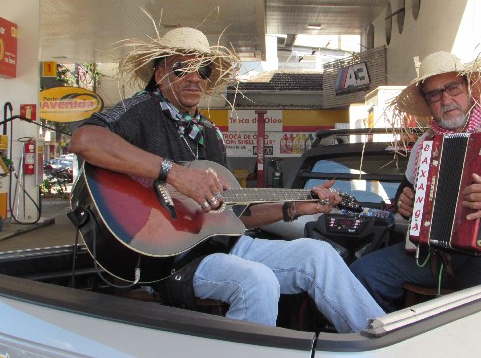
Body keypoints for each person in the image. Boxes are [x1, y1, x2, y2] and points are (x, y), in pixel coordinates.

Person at [69, 26, 383, 332]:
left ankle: (382, 345)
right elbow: (85, 141)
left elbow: (233, 216)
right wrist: (175, 174)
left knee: (319, 254)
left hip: (222, 249)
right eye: (182, 68)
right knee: (257, 280)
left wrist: (298, 207)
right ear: (159, 72)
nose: (194, 77)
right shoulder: (141, 111)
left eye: (202, 69)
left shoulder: (208, 133)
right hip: (166, 262)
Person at [349, 51, 481, 312]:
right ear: (427, 102)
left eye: (453, 87)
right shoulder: (424, 144)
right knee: (364, 274)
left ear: (469, 88)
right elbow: (407, 190)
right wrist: (405, 202)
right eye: (434, 94)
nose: (446, 99)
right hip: (437, 257)